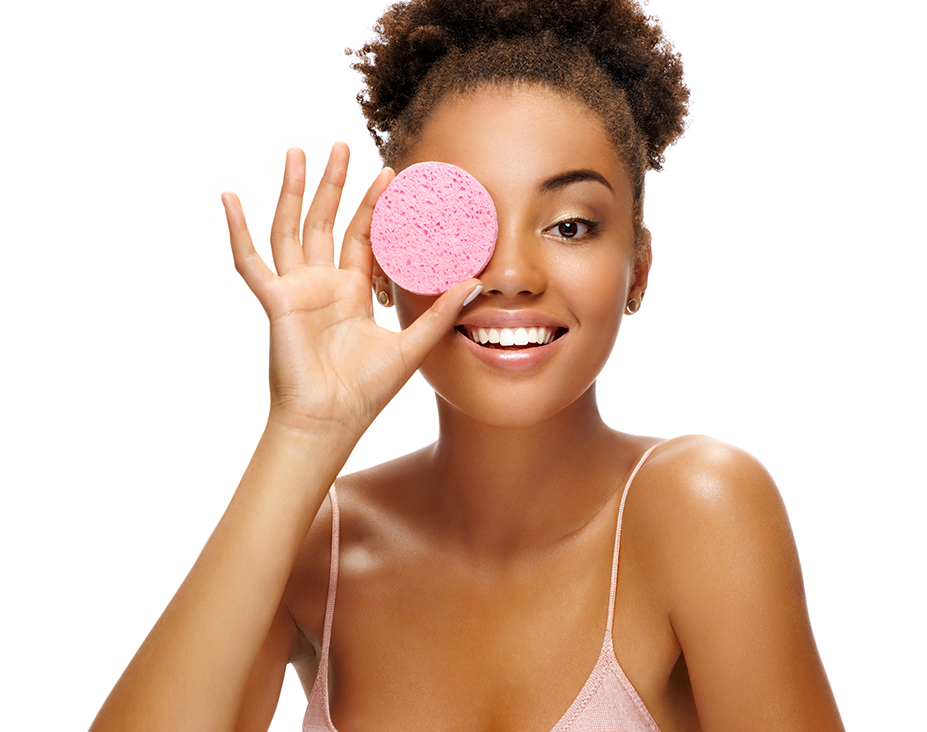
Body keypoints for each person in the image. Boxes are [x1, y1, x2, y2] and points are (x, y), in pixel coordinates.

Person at [92, 1, 845, 730]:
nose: (511, 273)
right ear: (385, 264)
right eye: (457, 222)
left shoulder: (700, 508)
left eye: (571, 225)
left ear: (638, 270)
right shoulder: (315, 549)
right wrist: (303, 432)